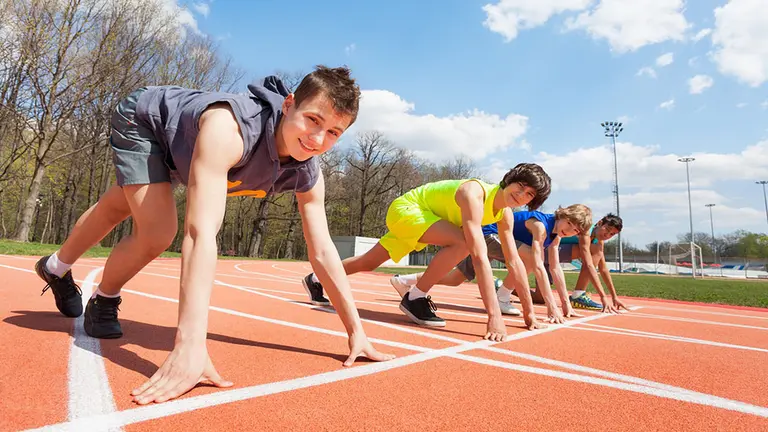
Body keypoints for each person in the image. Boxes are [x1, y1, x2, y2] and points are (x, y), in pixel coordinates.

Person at [33, 65, 394, 405]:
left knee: (120, 205)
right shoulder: (230, 130)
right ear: (288, 105)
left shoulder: (308, 170)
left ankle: (55, 266)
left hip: (184, 147)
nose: (317, 139)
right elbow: (200, 232)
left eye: (333, 132)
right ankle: (104, 299)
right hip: (145, 120)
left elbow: (323, 250)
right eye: (312, 119)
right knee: (159, 231)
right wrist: (190, 345)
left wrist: (355, 329)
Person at [303, 163, 552, 340]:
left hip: (427, 220)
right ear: (509, 180)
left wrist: (529, 312)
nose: (521, 195)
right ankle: (415, 297)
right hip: (409, 210)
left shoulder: (505, 215)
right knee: (465, 243)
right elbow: (479, 257)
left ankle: (316, 278)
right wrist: (494, 315)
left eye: (529, 194)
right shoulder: (474, 192)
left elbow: (515, 262)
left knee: (369, 262)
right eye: (520, 186)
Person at [393, 204, 593, 325]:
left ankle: (403, 281)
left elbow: (555, 268)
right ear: (563, 215)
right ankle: (502, 297)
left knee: (454, 279)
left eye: (575, 230)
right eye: (569, 224)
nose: (570, 230)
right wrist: (551, 307)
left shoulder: (555, 236)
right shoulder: (541, 226)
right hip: (488, 234)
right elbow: (539, 265)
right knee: (532, 259)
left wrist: (565, 304)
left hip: (499, 241)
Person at [530, 213, 629, 313]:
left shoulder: (598, 242)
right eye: (607, 230)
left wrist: (614, 297)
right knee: (593, 251)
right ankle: (578, 294)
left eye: (612, 234)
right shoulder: (586, 230)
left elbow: (603, 269)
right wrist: (603, 297)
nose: (607, 235)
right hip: (544, 251)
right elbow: (589, 264)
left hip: (551, 257)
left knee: (540, 298)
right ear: (599, 223)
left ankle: (516, 288)